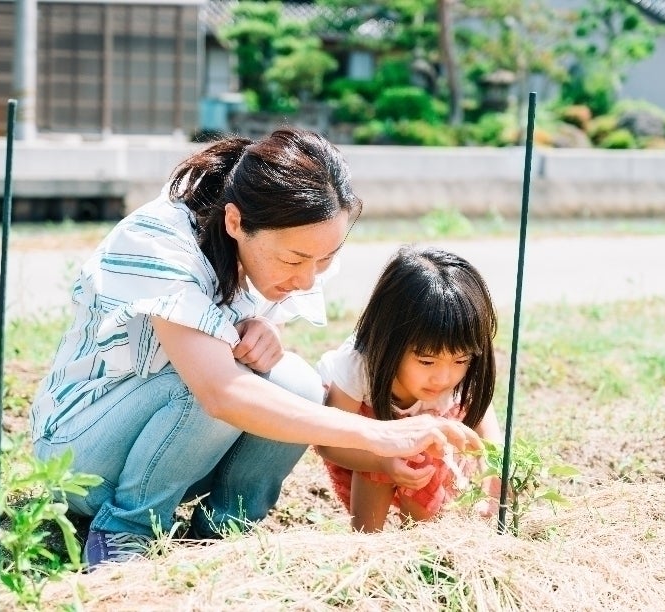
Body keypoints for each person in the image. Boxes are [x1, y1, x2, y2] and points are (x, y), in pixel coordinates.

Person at [29, 128, 480, 569]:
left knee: (300, 383)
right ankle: (127, 530)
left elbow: (251, 352)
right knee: (215, 376)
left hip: (172, 450)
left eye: (323, 259)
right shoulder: (158, 241)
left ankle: (226, 527)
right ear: (234, 222)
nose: (306, 279)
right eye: (294, 260)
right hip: (81, 458)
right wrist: (378, 435)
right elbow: (219, 391)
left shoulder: (274, 247)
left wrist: (265, 324)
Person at [316, 245, 503, 532]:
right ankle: (368, 543)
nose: (443, 377)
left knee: (427, 466)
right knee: (381, 456)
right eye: (426, 361)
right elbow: (329, 443)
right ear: (390, 342)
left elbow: (486, 428)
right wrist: (383, 461)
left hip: (430, 453)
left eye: (461, 360)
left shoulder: (457, 362)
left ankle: (421, 544)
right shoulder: (359, 365)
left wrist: (492, 470)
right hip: (363, 446)